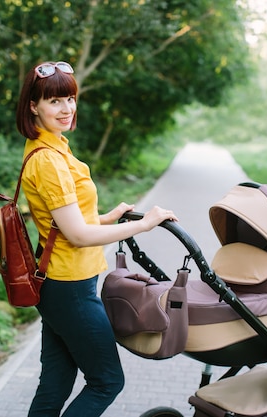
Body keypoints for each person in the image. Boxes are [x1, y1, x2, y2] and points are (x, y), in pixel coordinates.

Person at [16, 60, 178, 417]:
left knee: (56, 382)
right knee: (106, 381)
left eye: (70, 99)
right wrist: (143, 224)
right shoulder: (49, 161)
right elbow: (77, 234)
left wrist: (108, 217)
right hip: (70, 288)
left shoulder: (54, 148)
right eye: (54, 101)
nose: (66, 108)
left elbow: (60, 223)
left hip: (61, 283)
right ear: (33, 106)